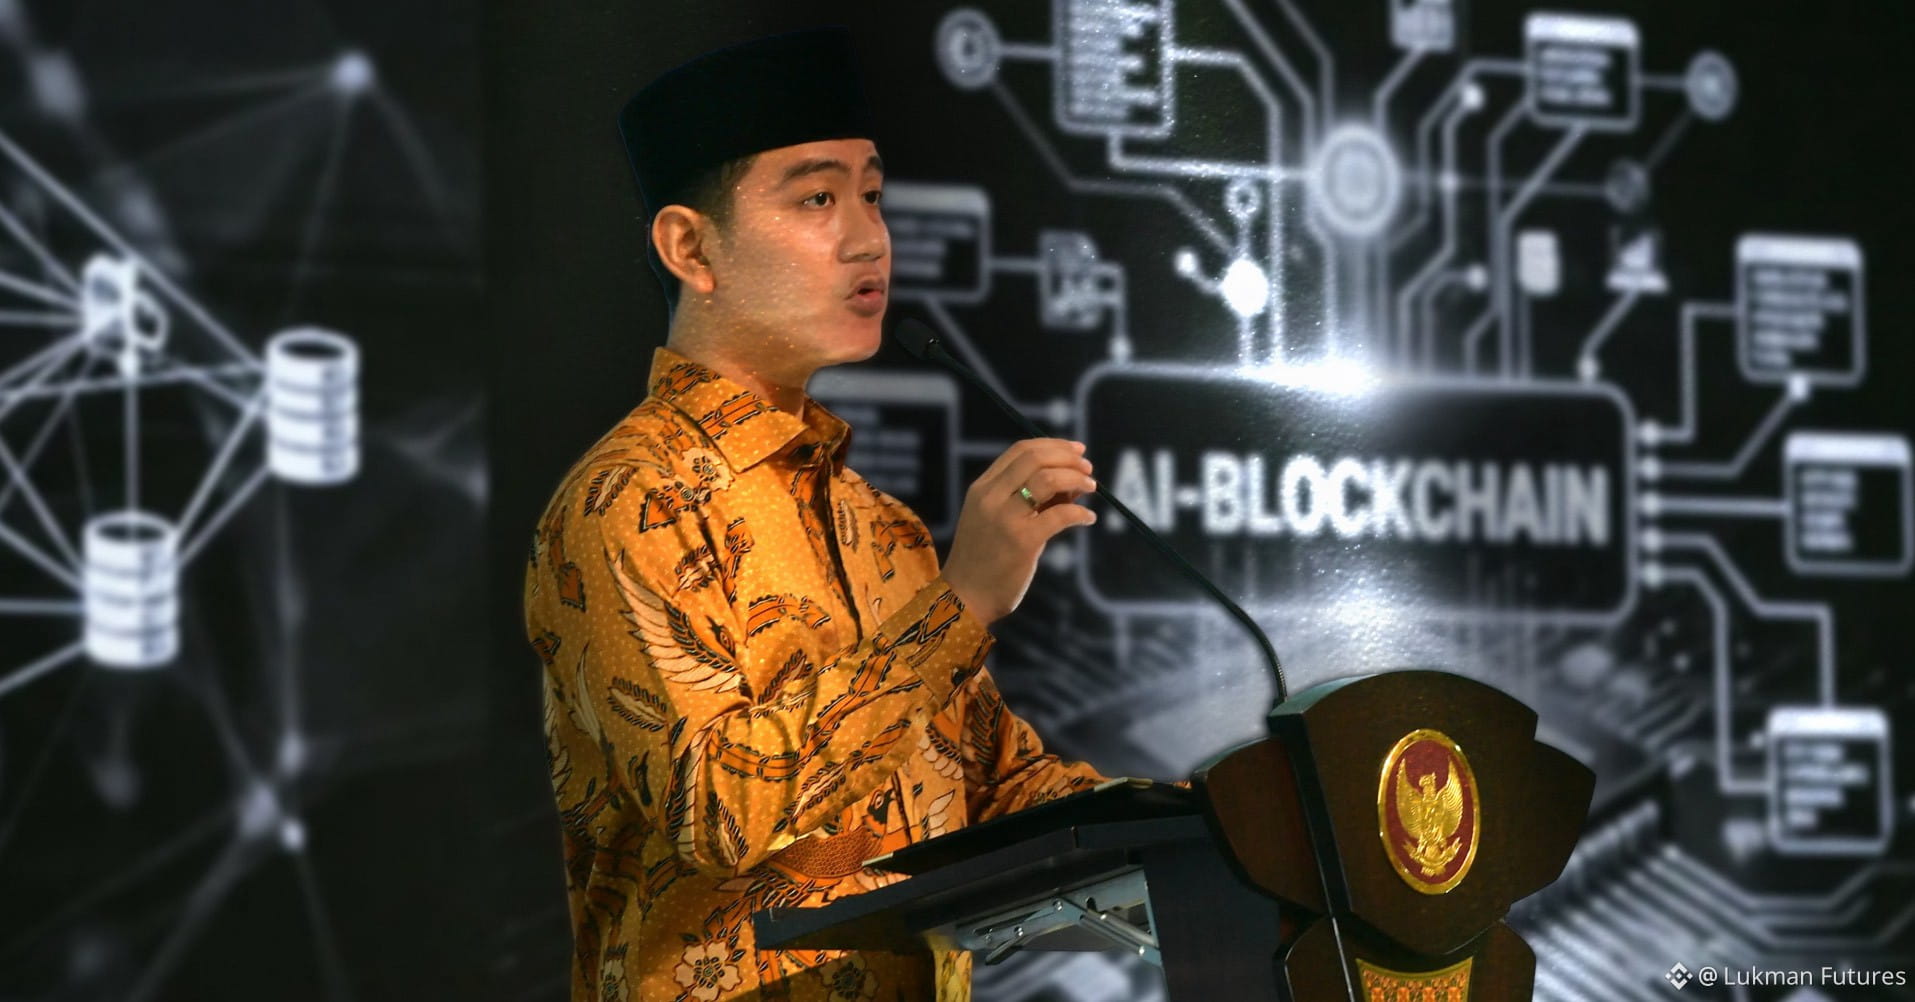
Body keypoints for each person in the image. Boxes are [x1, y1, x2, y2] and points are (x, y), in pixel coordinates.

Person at [524, 27, 1115, 1002]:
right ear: (689, 247)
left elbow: (994, 788)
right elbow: (721, 814)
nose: (868, 237)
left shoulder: (882, 526)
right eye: (815, 198)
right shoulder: (628, 497)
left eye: (871, 195)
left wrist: (1224, 818)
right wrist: (960, 604)